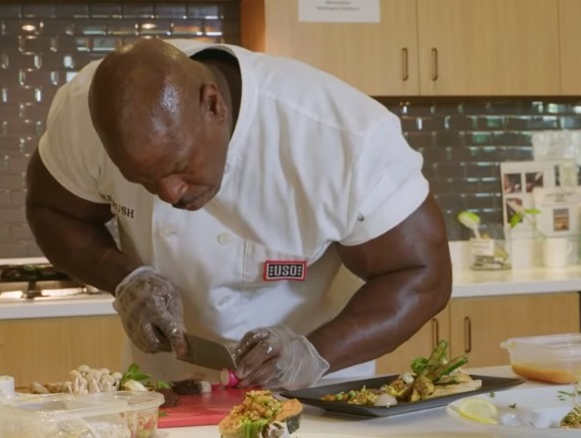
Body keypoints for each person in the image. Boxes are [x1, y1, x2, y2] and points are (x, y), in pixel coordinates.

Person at [25, 38, 452, 390]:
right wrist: (124, 277)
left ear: (213, 104)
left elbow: (422, 274)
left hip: (316, 392)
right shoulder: (84, 113)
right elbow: (53, 210)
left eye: (178, 167)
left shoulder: (341, 137)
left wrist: (315, 353)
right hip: (166, 390)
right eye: (143, 181)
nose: (170, 194)